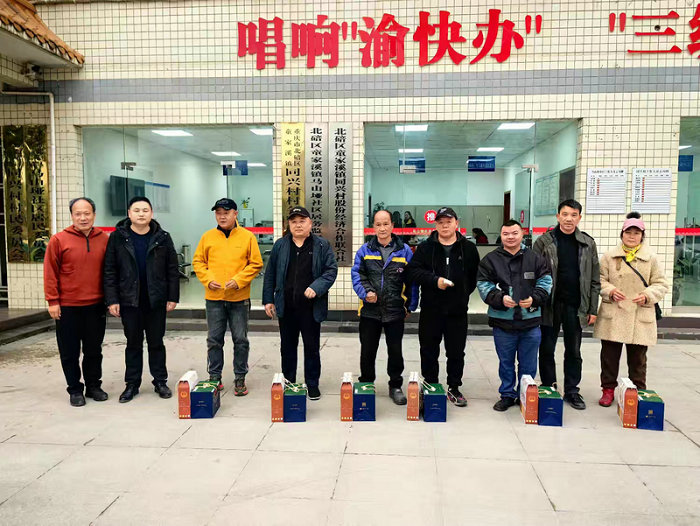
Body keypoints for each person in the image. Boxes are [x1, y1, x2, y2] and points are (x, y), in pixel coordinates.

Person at [104, 196, 180, 403]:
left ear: (151, 213)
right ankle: (132, 384)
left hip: (155, 300)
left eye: (145, 210)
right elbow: (110, 270)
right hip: (129, 300)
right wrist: (112, 300)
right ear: (129, 213)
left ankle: (160, 381)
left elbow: (172, 269)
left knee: (156, 343)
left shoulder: (162, 237)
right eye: (136, 210)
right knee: (133, 344)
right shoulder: (117, 238)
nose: (141, 214)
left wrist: (172, 296)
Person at [405, 207, 480, 407]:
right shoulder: (425, 247)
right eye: (440, 222)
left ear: (456, 223)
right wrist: (434, 281)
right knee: (428, 350)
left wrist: (461, 293)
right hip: (431, 309)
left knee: (456, 352)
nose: (445, 226)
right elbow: (413, 272)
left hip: (457, 311)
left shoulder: (468, 249)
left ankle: (454, 388)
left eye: (448, 222)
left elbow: (474, 277)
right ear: (435, 225)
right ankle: (431, 386)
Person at [262, 206, 338, 400]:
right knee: (287, 348)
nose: (298, 225)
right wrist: (268, 300)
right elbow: (270, 274)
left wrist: (317, 287)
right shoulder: (280, 245)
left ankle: (312, 384)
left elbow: (331, 270)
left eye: (302, 221)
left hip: (310, 308)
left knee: (311, 348)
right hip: (286, 306)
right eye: (294, 221)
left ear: (310, 223)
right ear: (289, 224)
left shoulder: (321, 245)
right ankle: (289, 382)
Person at [594, 212, 668, 407]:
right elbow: (599, 280)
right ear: (622, 234)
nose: (632, 236)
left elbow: (661, 283)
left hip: (639, 312)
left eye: (636, 233)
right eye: (628, 232)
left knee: (638, 359)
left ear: (642, 235)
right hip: (614, 312)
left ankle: (637, 391)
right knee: (609, 357)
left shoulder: (651, 258)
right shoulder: (609, 256)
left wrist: (647, 295)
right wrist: (610, 291)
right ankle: (608, 390)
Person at [477, 220, 552, 411]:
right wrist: (500, 298)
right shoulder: (490, 260)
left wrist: (534, 298)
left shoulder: (535, 258)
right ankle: (507, 395)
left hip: (530, 322)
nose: (510, 237)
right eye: (506, 234)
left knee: (529, 363)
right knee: (506, 363)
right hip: (503, 322)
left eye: (514, 233)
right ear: (501, 236)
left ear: (522, 234)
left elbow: (546, 282)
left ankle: (525, 394)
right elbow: (483, 284)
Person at [532, 199, 600, 410]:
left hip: (576, 305)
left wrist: (592, 309)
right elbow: (534, 274)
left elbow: (595, 279)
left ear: (579, 218)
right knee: (546, 348)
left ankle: (572, 390)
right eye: (565, 214)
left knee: (574, 351)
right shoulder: (543, 242)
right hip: (549, 305)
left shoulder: (588, 243)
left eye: (573, 215)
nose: (569, 219)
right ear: (558, 216)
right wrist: (536, 301)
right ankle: (549, 387)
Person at [193, 198, 263, 395]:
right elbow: (198, 262)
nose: (222, 216)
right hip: (214, 298)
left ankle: (240, 377)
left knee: (240, 339)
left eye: (226, 212)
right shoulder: (207, 237)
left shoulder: (247, 237)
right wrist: (208, 280)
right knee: (214, 339)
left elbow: (256, 263)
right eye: (218, 213)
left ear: (235, 214)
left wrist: (239, 280)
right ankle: (214, 377)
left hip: (239, 298)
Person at [44, 197, 109, 407]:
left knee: (94, 350)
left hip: (96, 305)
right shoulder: (59, 240)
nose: (83, 218)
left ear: (94, 215)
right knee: (69, 352)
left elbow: (110, 272)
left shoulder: (104, 239)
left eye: (87, 213)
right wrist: (52, 301)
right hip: (67, 307)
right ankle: (74, 389)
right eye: (78, 214)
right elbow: (50, 272)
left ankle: (93, 386)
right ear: (72, 216)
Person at [351, 209, 418, 405]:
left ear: (392, 226)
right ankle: (366, 384)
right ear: (373, 226)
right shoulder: (364, 250)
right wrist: (366, 292)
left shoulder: (404, 251)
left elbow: (412, 281)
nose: (382, 228)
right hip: (369, 311)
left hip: (395, 310)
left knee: (395, 351)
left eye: (386, 224)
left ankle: (395, 386)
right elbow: (357, 275)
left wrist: (410, 306)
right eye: (378, 224)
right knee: (367, 351)